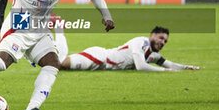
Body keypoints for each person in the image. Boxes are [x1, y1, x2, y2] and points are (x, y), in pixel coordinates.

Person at [58, 26, 200, 71]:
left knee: (59, 64)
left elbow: (169, 64)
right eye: (161, 38)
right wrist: (165, 71)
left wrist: (185, 67)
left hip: (101, 65)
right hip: (99, 57)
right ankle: (58, 29)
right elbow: (140, 66)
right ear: (152, 35)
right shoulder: (140, 42)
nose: (163, 42)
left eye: (165, 41)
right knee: (59, 63)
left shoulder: (154, 55)